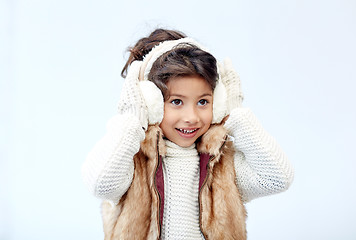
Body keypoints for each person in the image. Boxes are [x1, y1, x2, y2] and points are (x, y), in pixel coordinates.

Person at [82, 28, 294, 240]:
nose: (191, 117)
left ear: (218, 102)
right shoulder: (131, 161)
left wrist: (236, 115)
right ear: (150, 103)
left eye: (203, 101)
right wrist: (132, 120)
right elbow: (101, 184)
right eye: (176, 101)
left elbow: (278, 178)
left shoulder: (221, 163)